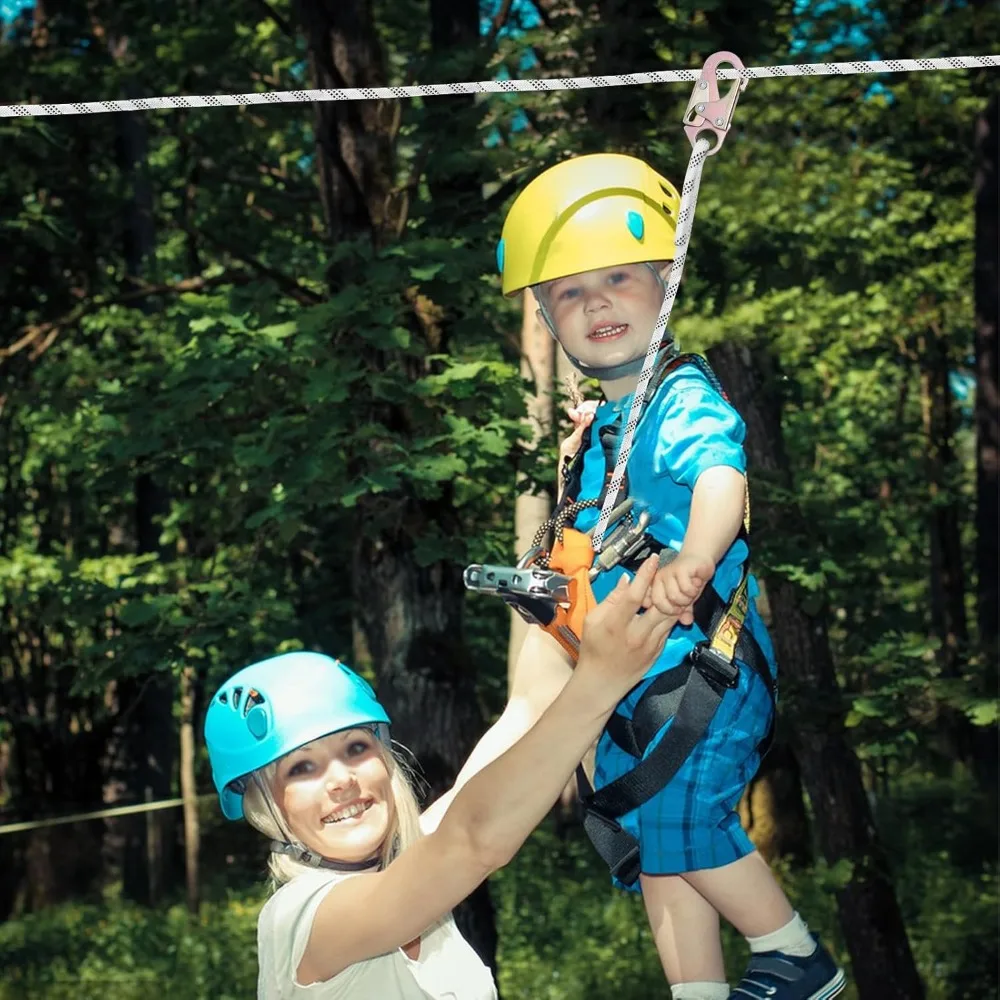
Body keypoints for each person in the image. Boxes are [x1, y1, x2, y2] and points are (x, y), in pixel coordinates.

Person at [455, 153, 847, 1000]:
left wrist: (697, 556)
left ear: (665, 282)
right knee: (653, 838)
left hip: (705, 669)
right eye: (567, 291)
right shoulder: (604, 428)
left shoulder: (680, 398)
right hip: (639, 682)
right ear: (546, 317)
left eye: (619, 278)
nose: (595, 301)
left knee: (684, 820)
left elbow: (719, 477)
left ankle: (794, 957)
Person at [204, 555, 673, 1000]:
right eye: (302, 768)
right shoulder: (298, 918)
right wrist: (602, 680)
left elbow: (527, 712)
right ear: (264, 804)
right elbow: (474, 839)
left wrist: (559, 609)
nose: (342, 779)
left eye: (356, 748)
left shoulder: (414, 862)